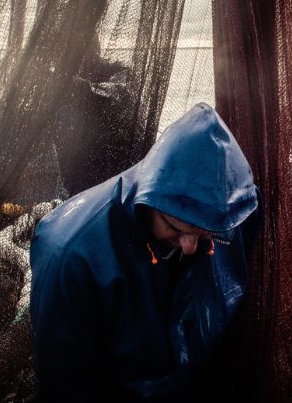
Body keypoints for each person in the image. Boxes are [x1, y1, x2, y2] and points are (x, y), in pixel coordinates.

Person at [30, 103, 260, 401]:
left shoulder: (230, 210)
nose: (190, 246)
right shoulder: (70, 257)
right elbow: (65, 383)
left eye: (205, 234)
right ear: (148, 200)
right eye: (174, 227)